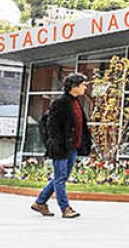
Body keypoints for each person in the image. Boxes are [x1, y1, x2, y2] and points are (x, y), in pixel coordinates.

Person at [30, 72, 92, 219]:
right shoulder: (60, 103)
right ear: (74, 87)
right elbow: (52, 126)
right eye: (82, 85)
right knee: (60, 177)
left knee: (61, 177)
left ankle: (40, 202)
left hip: (72, 147)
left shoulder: (76, 102)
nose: (85, 88)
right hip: (61, 147)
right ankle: (65, 208)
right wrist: (56, 144)